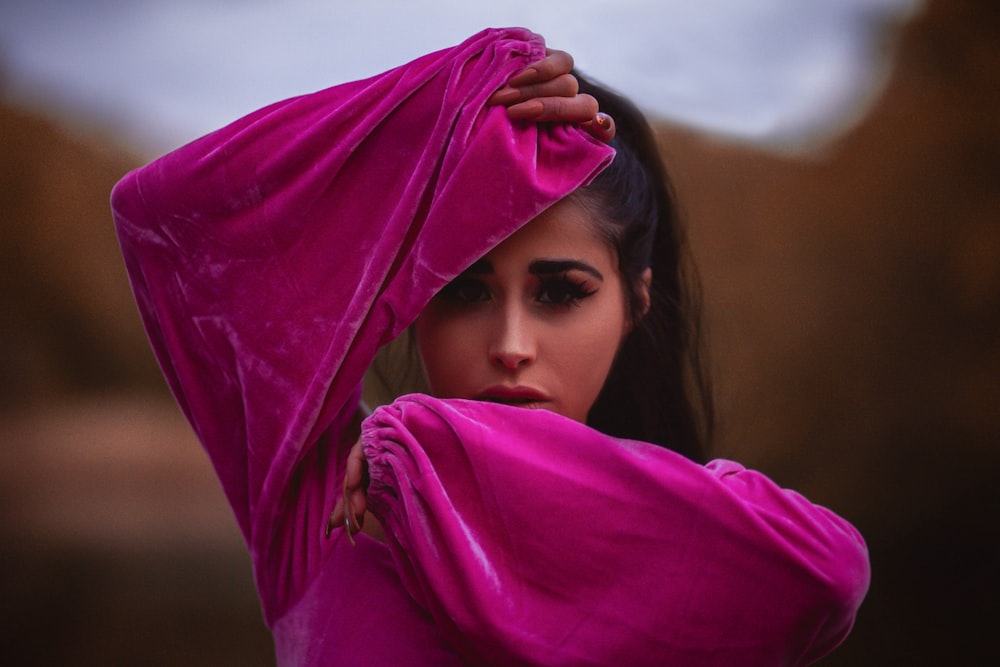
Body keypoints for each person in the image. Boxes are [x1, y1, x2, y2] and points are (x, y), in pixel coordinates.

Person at [111, 27, 869, 666]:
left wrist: (423, 443)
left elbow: (830, 573)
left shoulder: (691, 548)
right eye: (463, 291)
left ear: (636, 300)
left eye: (561, 292)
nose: (510, 345)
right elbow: (164, 211)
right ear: (410, 305)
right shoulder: (328, 512)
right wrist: (461, 94)